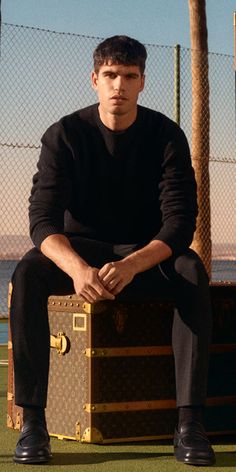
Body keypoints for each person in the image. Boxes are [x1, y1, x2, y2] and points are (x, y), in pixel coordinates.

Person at [10, 35, 215, 466]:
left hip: (144, 254)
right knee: (28, 272)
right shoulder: (64, 135)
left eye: (128, 76)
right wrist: (79, 269)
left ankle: (190, 423)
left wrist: (131, 265)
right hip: (82, 252)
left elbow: (179, 223)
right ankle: (33, 421)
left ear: (142, 82)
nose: (118, 85)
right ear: (94, 80)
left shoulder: (165, 136)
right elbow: (42, 220)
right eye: (109, 75)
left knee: (192, 271)